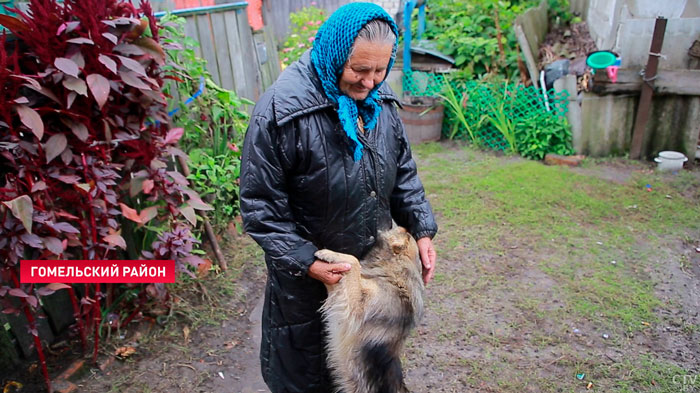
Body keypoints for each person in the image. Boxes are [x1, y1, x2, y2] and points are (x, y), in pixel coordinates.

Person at [239, 3, 438, 392]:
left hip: (369, 280)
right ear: (334, 53)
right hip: (306, 287)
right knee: (308, 377)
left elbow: (403, 173)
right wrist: (306, 261)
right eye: (359, 70)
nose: (370, 82)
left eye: (380, 70)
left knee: (365, 376)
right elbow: (260, 207)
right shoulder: (281, 112)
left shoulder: (380, 103)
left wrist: (422, 228)